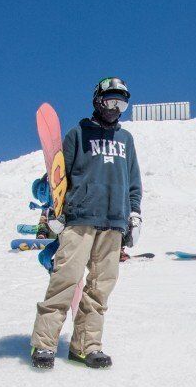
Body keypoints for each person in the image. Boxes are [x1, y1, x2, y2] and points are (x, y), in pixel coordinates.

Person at [30, 77, 142, 369]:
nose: (116, 108)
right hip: (79, 219)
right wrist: (55, 213)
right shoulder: (78, 134)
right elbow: (58, 176)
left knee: (99, 289)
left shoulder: (126, 140)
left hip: (114, 222)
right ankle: (43, 345)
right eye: (111, 101)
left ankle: (86, 346)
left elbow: (133, 183)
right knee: (64, 281)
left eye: (122, 103)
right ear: (97, 100)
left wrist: (134, 215)